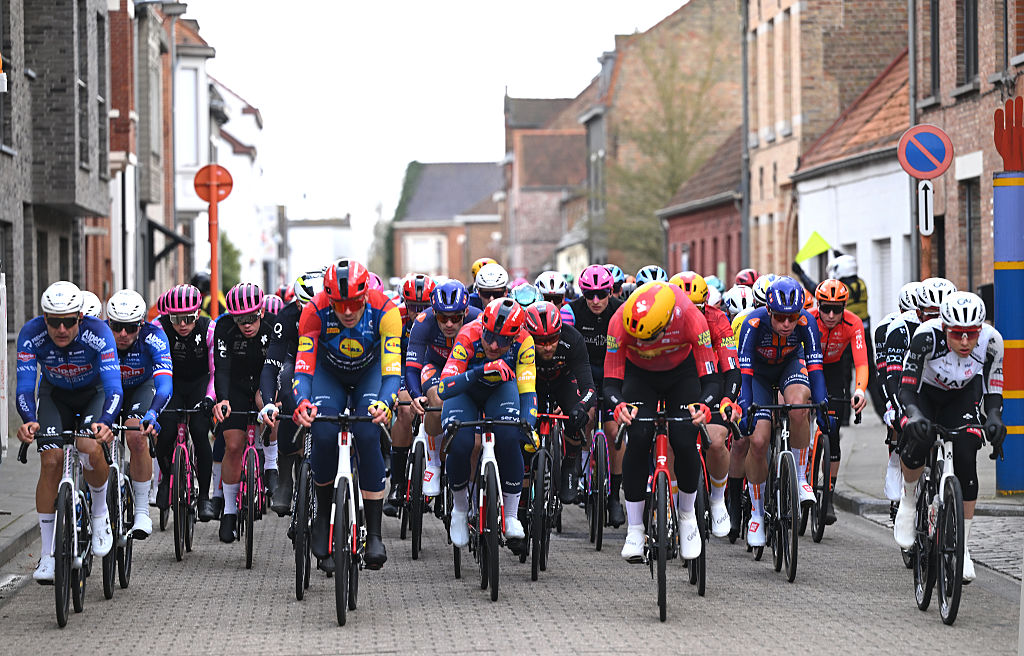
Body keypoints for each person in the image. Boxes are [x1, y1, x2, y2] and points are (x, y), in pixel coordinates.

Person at [292, 259, 401, 570]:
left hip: (370, 375)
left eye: (355, 302)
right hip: (329, 376)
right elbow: (304, 368)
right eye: (341, 304)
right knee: (323, 434)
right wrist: (302, 402)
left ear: (365, 296)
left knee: (368, 434)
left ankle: (375, 534)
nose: (349, 311)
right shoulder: (313, 311)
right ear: (330, 299)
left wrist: (385, 402)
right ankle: (322, 518)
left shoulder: (387, 310)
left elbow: (392, 371)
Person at [604, 281, 720, 561]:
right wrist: (618, 406)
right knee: (638, 436)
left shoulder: (691, 315)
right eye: (640, 339)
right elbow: (610, 381)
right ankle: (635, 528)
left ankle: (688, 515)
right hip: (639, 376)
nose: (646, 344)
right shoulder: (618, 321)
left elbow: (711, 378)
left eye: (651, 337)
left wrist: (705, 406)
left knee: (683, 437)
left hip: (682, 374)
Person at [16, 281, 123, 582]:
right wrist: (27, 418)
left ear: (79, 318)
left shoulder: (98, 332)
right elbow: (25, 387)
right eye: (53, 322)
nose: (61, 329)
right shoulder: (31, 334)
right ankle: (48, 554)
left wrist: (106, 419)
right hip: (55, 395)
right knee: (51, 460)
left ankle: (100, 514)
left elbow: (114, 385)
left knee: (89, 448)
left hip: (94, 393)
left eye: (68, 322)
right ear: (44, 318)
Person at [894, 292, 1004, 582]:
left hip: (961, 397)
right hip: (924, 395)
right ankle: (907, 503)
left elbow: (993, 385)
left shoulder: (991, 342)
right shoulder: (926, 337)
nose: (965, 342)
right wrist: (914, 416)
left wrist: (994, 417)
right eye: (957, 334)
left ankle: (963, 547)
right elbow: (906, 388)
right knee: (920, 438)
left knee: (968, 454)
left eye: (971, 334)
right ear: (945, 328)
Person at [735, 276, 832, 548]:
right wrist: (746, 409)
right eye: (780, 318)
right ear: (769, 311)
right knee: (757, 440)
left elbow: (815, 369)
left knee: (800, 406)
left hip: (790, 367)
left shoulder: (806, 322)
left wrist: (823, 405)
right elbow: (744, 376)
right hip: (758, 375)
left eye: (792, 317)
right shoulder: (753, 323)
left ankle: (800, 478)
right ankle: (756, 512)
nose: (787, 324)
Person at [438, 298, 537, 550]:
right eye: (490, 336)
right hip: (465, 390)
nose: (494, 344)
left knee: (510, 437)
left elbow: (527, 390)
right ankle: (460, 510)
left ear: (514, 338)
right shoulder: (468, 334)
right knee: (459, 444)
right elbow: (444, 388)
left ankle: (512, 515)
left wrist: (528, 423)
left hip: (502, 390)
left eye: (503, 341)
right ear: (482, 326)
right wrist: (479, 371)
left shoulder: (526, 342)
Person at [669, 272, 742, 538]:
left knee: (715, 440)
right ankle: (672, 503)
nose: (691, 314)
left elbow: (732, 367)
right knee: (670, 442)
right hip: (677, 384)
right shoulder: (662, 318)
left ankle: (718, 498)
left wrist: (727, 398)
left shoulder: (717, 319)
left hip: (712, 383)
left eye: (697, 308)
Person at [211, 283, 279, 544]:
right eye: (240, 320)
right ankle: (228, 510)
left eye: (251, 318)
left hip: (265, 380)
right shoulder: (224, 328)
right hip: (236, 384)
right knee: (233, 445)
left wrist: (271, 399)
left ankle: (271, 465)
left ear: (261, 312)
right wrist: (223, 399)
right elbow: (222, 368)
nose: (247, 324)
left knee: (271, 405)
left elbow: (275, 368)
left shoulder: (273, 326)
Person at [403, 280, 482, 502]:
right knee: (436, 400)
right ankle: (433, 464)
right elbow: (412, 367)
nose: (449, 323)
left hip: (466, 369)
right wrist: (416, 394)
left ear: (466, 312)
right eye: (442, 317)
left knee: (475, 442)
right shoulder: (423, 321)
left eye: (456, 317)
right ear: (434, 313)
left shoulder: (479, 319)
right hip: (435, 367)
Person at [106, 289, 174, 538]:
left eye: (130, 328)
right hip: (107, 389)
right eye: (116, 326)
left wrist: (153, 413)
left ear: (141, 324)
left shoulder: (154, 337)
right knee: (96, 438)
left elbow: (165, 385)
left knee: (136, 437)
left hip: (140, 389)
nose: (122, 334)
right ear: (108, 322)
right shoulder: (99, 335)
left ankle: (142, 511)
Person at [258, 269, 324, 515]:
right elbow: (270, 365)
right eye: (306, 306)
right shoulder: (286, 317)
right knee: (287, 390)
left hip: (327, 363)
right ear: (297, 302)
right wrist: (268, 402)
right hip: (294, 361)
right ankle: (285, 477)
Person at [569, 264, 627, 525]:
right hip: (585, 373)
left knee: (615, 432)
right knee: (587, 417)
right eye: (589, 294)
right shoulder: (573, 310)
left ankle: (615, 496)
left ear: (610, 292)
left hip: (614, 374)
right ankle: (583, 470)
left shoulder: (620, 310)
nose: (595, 301)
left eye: (601, 294)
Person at [808, 279, 869, 524]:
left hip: (833, 370)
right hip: (806, 366)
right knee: (798, 413)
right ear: (818, 305)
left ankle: (829, 497)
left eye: (837, 309)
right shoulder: (807, 318)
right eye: (826, 308)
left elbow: (862, 363)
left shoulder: (853, 323)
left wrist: (860, 391)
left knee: (832, 432)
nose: (831, 315)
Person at [156, 284, 217, 522]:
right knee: (167, 430)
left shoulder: (208, 328)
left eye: (189, 318)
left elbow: (214, 371)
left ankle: (203, 497)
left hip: (200, 382)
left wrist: (210, 398)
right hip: (170, 382)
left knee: (200, 432)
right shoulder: (159, 327)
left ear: (198, 314)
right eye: (176, 319)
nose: (182, 325)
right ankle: (165, 478)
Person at [383, 273, 435, 518]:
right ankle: (397, 483)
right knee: (404, 409)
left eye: (424, 307)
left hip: (432, 367)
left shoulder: (439, 318)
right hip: (404, 367)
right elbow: (391, 356)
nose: (418, 312)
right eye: (413, 307)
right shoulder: (396, 316)